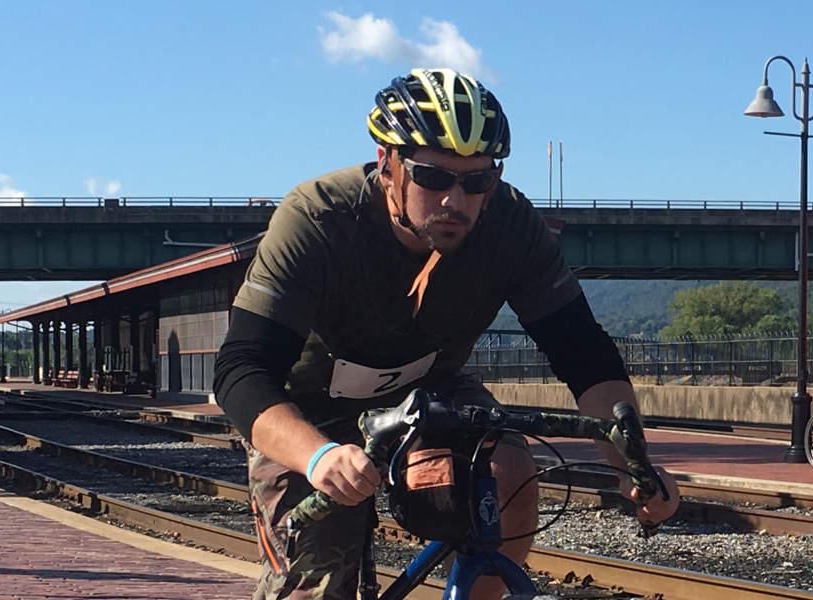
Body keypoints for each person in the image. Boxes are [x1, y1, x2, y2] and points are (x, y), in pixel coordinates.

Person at [212, 68, 680, 600]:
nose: (456, 200)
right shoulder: (318, 218)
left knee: (511, 469)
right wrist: (319, 457)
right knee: (314, 586)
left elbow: (583, 352)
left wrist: (632, 464)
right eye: (434, 177)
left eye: (478, 180)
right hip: (309, 409)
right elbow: (241, 371)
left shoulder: (510, 226)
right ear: (388, 165)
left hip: (429, 395)